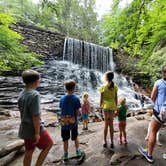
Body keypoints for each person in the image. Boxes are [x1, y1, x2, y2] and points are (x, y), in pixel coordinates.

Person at [18, 69, 53, 166]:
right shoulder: (35, 95)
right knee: (49, 144)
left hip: (25, 128)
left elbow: (22, 113)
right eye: (39, 80)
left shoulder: (22, 94)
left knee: (29, 151)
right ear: (35, 82)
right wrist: (37, 133)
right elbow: (36, 116)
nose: (40, 82)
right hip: (35, 129)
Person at [139, 65, 166, 163]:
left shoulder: (159, 82)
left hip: (159, 111)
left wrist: (157, 104)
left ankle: (149, 155)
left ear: (163, 73)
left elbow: (152, 96)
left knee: (153, 131)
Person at [59, 80, 83, 161]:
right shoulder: (76, 98)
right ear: (74, 88)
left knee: (65, 139)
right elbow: (77, 112)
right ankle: (78, 151)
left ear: (66, 88)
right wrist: (80, 115)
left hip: (64, 122)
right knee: (75, 137)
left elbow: (61, 108)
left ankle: (65, 154)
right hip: (73, 122)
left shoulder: (62, 98)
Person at [99, 71, 118, 148]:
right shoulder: (115, 87)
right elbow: (116, 98)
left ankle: (104, 141)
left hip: (106, 107)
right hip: (112, 106)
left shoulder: (103, 87)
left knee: (106, 124)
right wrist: (116, 107)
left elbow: (101, 99)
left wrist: (100, 107)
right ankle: (112, 141)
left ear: (106, 78)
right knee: (111, 124)